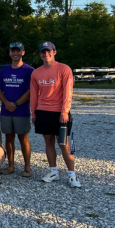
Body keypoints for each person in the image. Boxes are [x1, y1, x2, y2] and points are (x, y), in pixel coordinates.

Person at [30, 41, 79, 188]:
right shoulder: (36, 73)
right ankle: (53, 171)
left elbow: (68, 92)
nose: (46, 54)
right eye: (43, 52)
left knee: (63, 143)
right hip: (43, 112)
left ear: (54, 52)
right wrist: (34, 113)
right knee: (48, 142)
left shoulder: (64, 69)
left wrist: (64, 111)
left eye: (49, 51)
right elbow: (33, 95)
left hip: (60, 113)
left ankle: (72, 174)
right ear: (40, 54)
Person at [0, 42, 34, 177]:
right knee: (9, 137)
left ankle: (27, 167)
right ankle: (11, 165)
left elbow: (30, 91)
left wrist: (16, 104)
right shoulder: (4, 71)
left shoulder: (29, 70)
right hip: (6, 110)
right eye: (13, 51)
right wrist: (6, 102)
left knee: (23, 138)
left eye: (18, 51)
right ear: (9, 53)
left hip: (21, 110)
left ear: (23, 52)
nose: (15, 54)